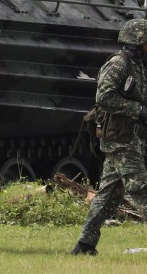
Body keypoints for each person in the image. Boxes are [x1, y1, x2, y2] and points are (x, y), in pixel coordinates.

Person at [71, 18, 147, 256]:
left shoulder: (138, 64)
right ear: (138, 41)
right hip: (121, 138)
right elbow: (103, 98)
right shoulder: (118, 64)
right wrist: (138, 110)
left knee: (108, 195)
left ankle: (84, 245)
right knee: (140, 188)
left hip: (128, 136)